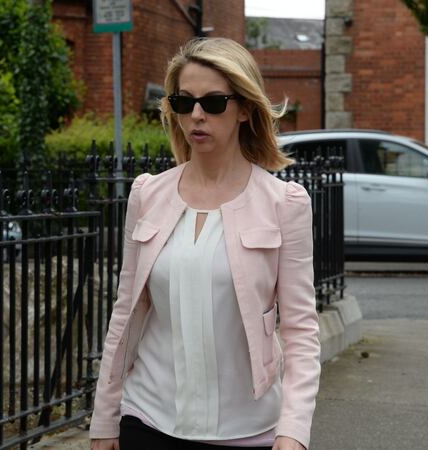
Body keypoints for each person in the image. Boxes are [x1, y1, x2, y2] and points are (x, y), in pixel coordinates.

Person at [89, 37, 320, 450]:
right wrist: (104, 419)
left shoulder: (283, 204)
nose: (196, 115)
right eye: (183, 102)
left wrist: (294, 432)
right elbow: (125, 313)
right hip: (148, 420)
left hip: (248, 431)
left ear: (245, 108)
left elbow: (301, 330)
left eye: (213, 103)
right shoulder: (147, 195)